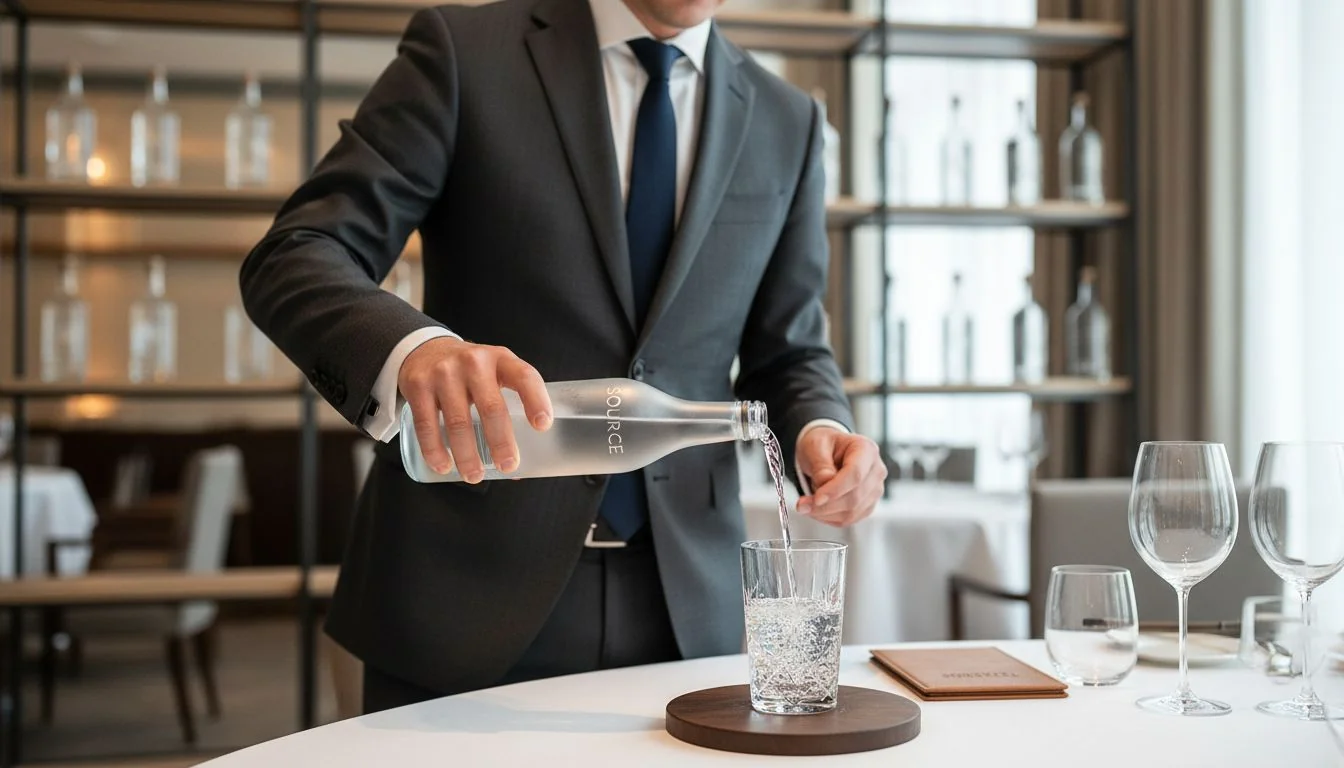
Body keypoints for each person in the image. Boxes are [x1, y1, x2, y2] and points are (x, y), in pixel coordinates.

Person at [240, 0, 887, 714]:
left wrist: (819, 427)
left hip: (689, 612)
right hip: (463, 592)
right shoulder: (464, 54)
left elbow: (790, 349)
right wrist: (417, 350)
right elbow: (296, 255)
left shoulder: (785, 119)